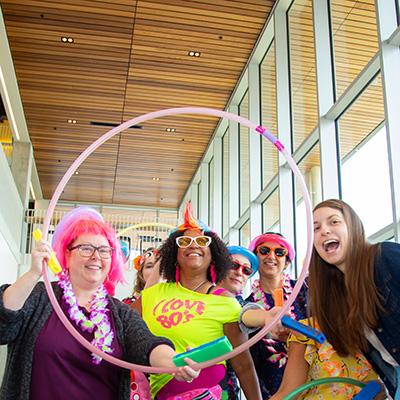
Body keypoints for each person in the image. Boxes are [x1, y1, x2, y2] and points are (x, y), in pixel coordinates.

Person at [0, 208, 199, 400]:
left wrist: (175, 362)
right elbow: (3, 325)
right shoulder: (41, 296)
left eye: (105, 251)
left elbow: (146, 344)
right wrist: (33, 273)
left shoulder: (120, 313)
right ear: (66, 255)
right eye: (86, 248)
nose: (96, 256)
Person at [134, 202, 262, 400]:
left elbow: (243, 366)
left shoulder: (226, 301)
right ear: (173, 255)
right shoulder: (152, 294)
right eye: (184, 242)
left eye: (202, 241)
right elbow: (120, 332)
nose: (193, 244)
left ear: (214, 255)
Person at [307, 198, 400, 398]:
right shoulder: (337, 296)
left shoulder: (385, 256)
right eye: (316, 228)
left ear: (353, 227)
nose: (324, 231)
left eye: (334, 222)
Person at [246, 232, 308, 398]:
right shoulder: (246, 307)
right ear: (255, 258)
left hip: (315, 384)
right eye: (264, 250)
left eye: (279, 252)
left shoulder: (304, 290)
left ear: (286, 262)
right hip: (270, 390)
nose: (271, 256)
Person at [218, 245, 259, 399]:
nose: (239, 272)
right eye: (233, 265)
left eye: (246, 270)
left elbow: (249, 315)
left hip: (225, 391)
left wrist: (268, 321)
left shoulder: (242, 305)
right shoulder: (199, 298)